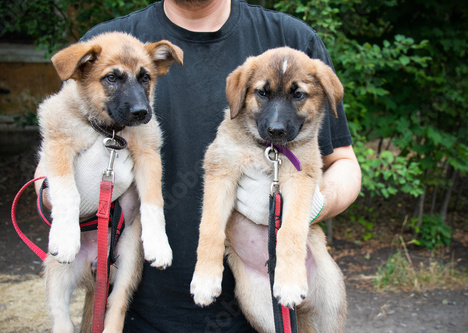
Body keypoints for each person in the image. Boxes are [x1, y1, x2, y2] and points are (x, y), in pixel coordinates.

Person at [36, 0, 361, 331]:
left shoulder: (290, 39)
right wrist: (66, 194)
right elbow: (55, 146)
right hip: (130, 311)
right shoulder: (112, 41)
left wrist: (313, 205)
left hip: (265, 306)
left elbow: (345, 164)